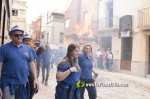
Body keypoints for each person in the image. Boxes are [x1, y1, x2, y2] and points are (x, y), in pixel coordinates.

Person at [0, 25, 38, 99]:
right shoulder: (3, 48)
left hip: (22, 83)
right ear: (11, 36)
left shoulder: (27, 49)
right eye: (16, 35)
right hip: (8, 83)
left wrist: (35, 79)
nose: (19, 37)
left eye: (21, 35)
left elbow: (32, 63)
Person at [22, 34, 38, 99]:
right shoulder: (20, 49)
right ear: (22, 41)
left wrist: (35, 76)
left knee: (31, 91)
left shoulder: (32, 50)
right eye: (26, 40)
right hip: (23, 74)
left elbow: (34, 62)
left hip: (30, 74)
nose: (28, 42)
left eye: (29, 41)